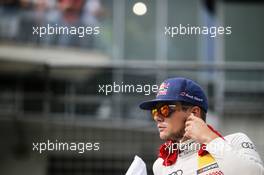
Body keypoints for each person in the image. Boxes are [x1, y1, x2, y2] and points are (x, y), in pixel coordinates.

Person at [139, 77, 264, 175]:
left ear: (194, 113)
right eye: (155, 111)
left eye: (165, 110)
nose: (157, 117)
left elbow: (254, 173)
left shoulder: (235, 141)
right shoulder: (161, 164)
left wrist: (209, 138)